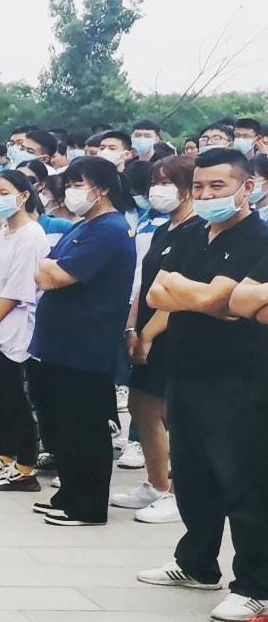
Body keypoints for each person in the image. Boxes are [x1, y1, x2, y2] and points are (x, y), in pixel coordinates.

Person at [142, 150, 268, 618]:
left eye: (218, 186)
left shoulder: (258, 237)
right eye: (199, 187)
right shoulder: (191, 232)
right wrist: (208, 298)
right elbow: (157, 293)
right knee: (193, 476)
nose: (206, 195)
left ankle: (255, 583)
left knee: (243, 480)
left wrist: (193, 293)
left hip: (237, 378)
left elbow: (226, 299)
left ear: (246, 188)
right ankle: (196, 562)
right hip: (185, 370)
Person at [27, 155, 136, 525]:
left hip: (85, 345)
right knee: (61, 424)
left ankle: (87, 505)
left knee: (84, 426)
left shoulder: (110, 229)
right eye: (69, 185)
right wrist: (50, 269)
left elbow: (56, 275)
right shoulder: (84, 226)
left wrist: (51, 270)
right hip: (60, 345)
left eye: (78, 185)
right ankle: (69, 494)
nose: (72, 192)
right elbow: (44, 268)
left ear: (101, 189)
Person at [113, 155, 196, 524]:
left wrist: (149, 334)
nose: (158, 190)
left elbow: (178, 294)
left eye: (167, 182)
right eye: (154, 182)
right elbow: (144, 286)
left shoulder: (196, 232)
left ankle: (180, 494)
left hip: (173, 333)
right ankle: (157, 483)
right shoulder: (164, 229)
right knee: (141, 406)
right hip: (145, 330)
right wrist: (132, 328)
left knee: (172, 413)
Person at [0, 169, 54, 493]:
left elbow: (19, 289)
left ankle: (25, 467)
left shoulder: (31, 235)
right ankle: (4, 457)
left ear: (24, 196)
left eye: (3, 192)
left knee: (16, 400)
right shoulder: (1, 233)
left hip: (15, 329)